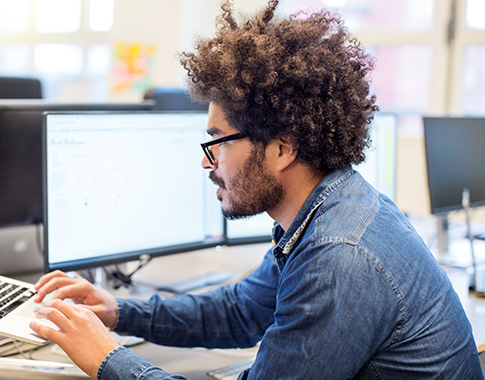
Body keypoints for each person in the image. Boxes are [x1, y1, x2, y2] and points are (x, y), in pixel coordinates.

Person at [29, 1, 484, 379]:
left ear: (282, 148)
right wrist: (121, 314)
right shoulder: (329, 208)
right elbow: (243, 311)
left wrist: (107, 359)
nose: (206, 161)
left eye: (218, 142)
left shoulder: (339, 254)